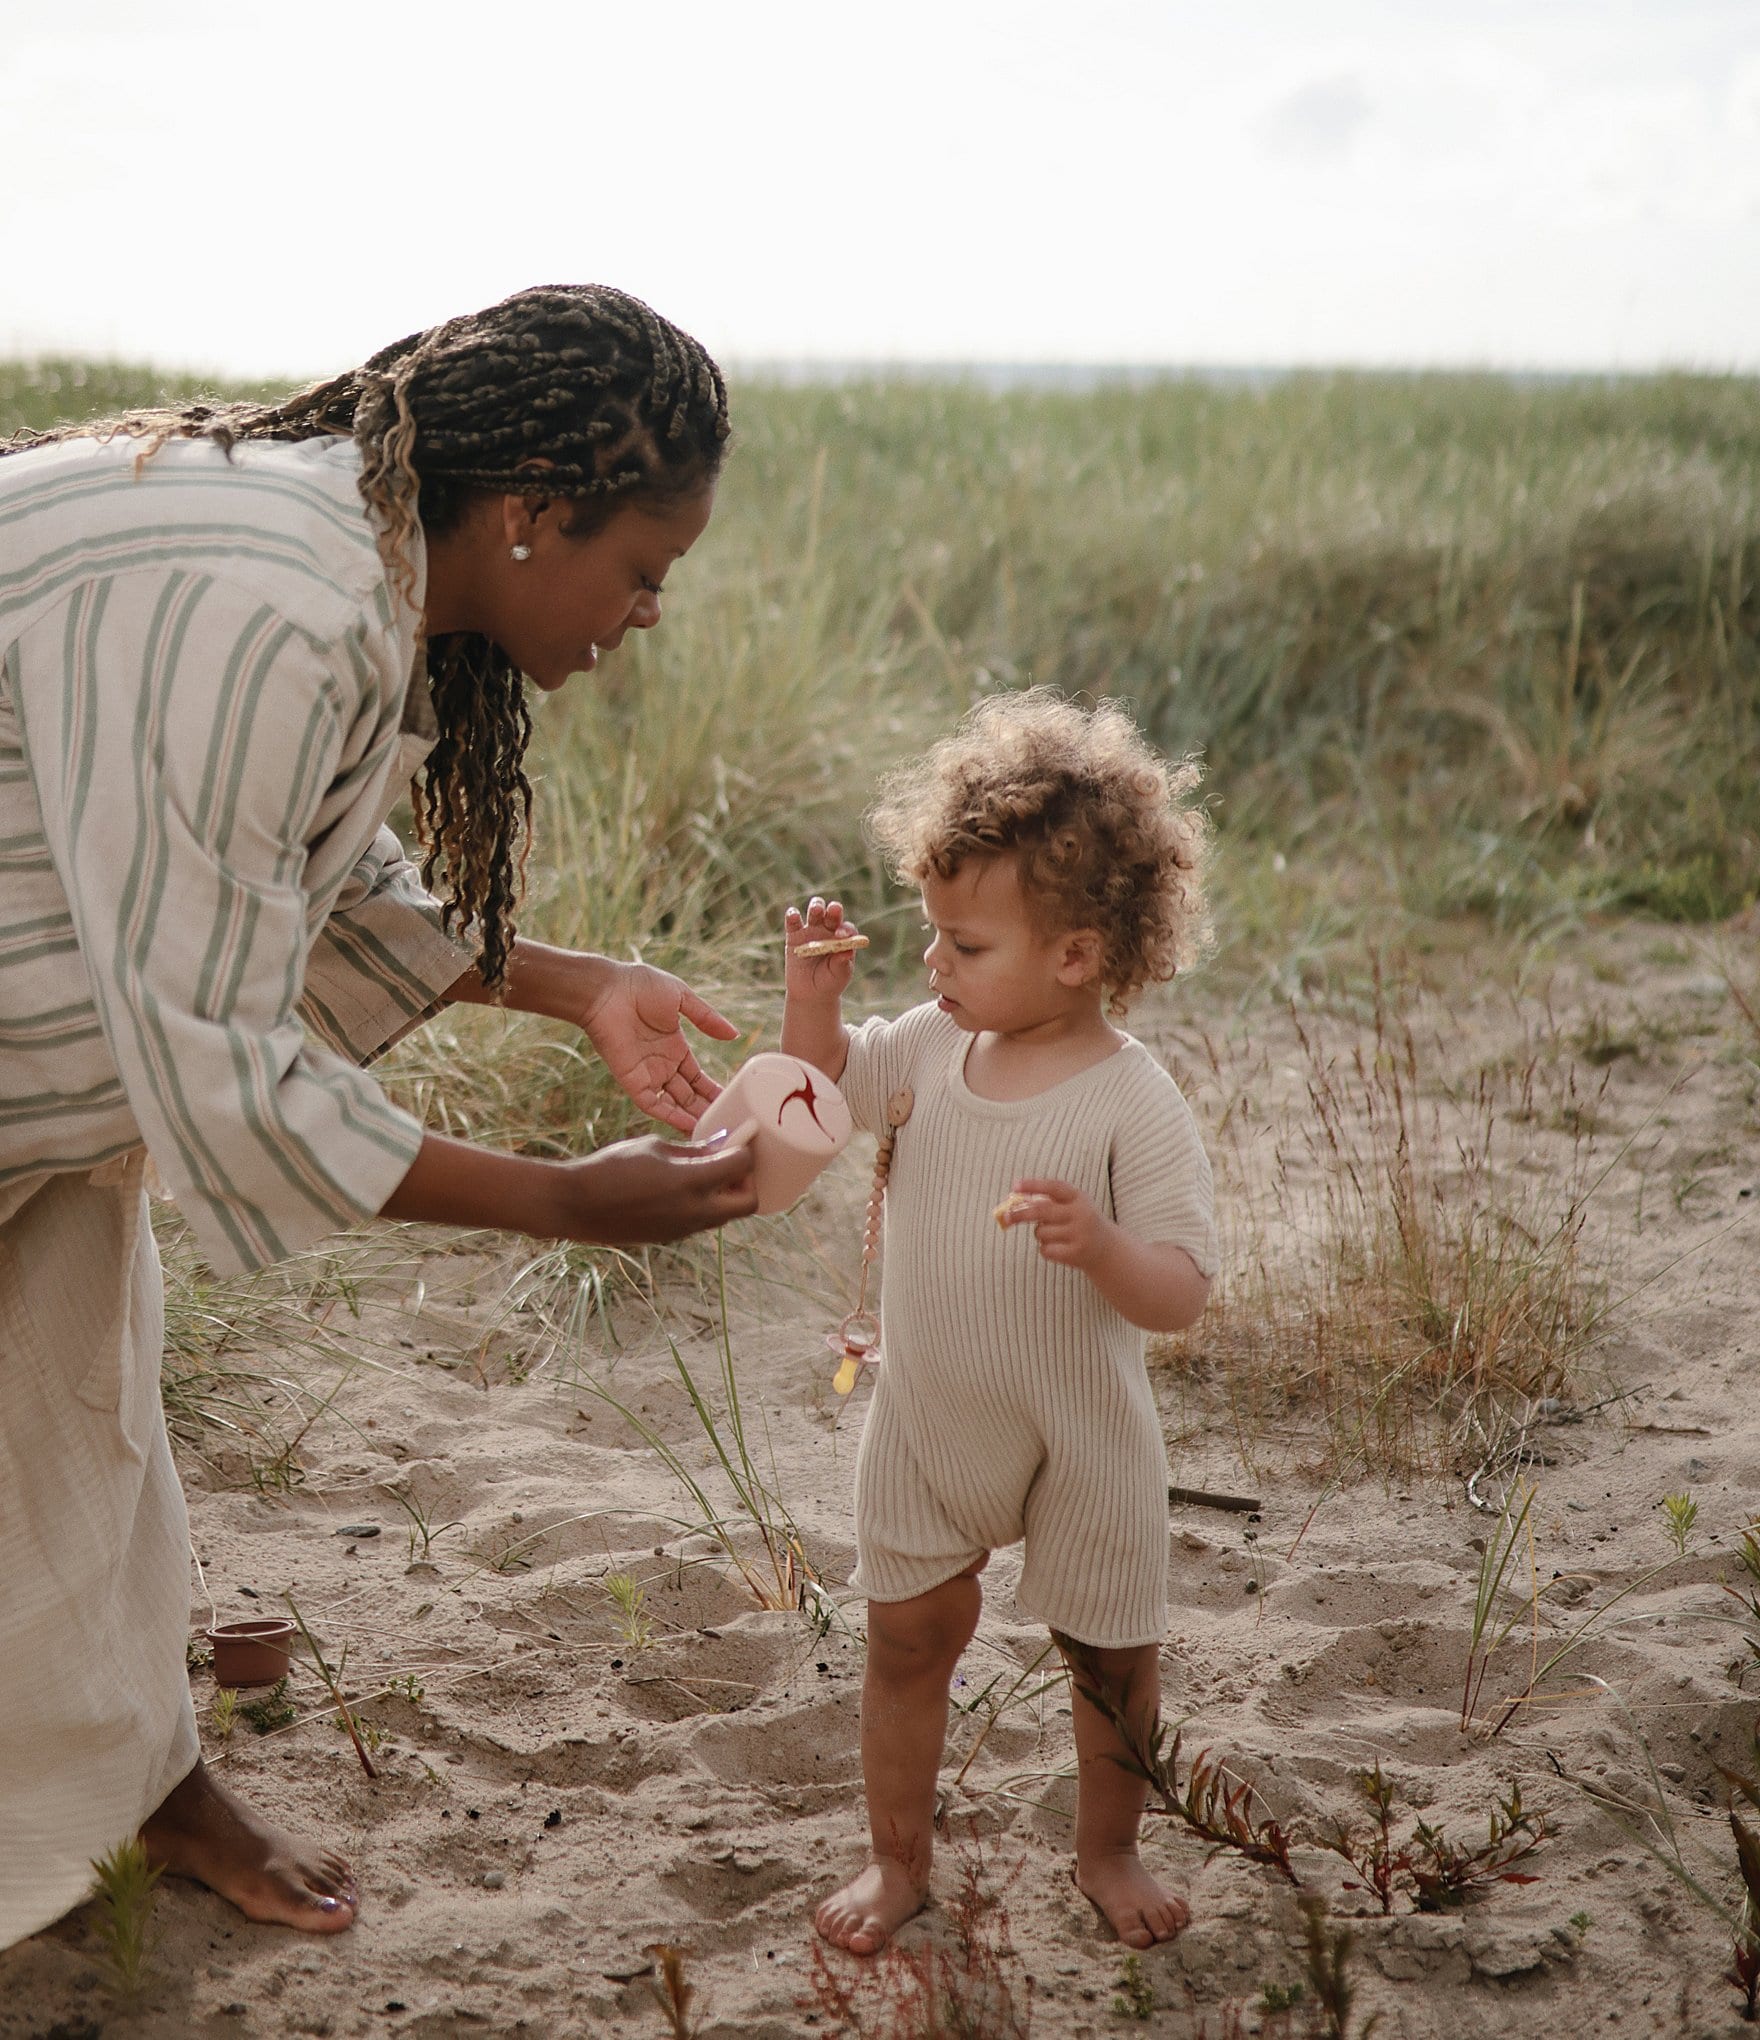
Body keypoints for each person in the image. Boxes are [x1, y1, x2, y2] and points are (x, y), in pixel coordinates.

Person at [0, 285, 760, 1952]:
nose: (646, 614)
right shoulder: (275, 601)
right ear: (530, 512)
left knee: (71, 1425)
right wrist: (567, 1202)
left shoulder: (351, 569)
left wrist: (572, 982)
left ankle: (134, 1790)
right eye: (644, 568)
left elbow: (292, 868)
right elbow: (220, 1052)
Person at [780, 689, 1217, 1954]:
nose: (933, 966)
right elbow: (817, 1101)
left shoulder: (1133, 1102)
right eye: (932, 937)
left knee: (1108, 1657)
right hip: (930, 1419)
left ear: (1074, 956)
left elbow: (1181, 1289)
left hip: (1083, 1431)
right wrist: (811, 998)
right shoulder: (924, 1047)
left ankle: (1108, 1850)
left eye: (964, 946)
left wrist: (1106, 1247)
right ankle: (895, 1863)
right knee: (906, 1639)